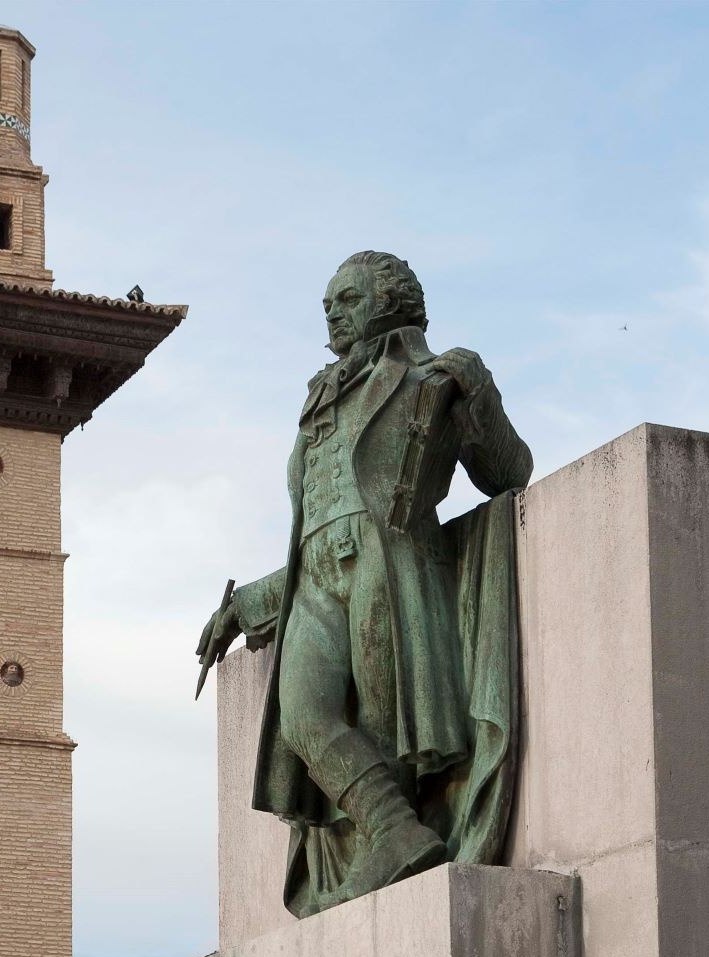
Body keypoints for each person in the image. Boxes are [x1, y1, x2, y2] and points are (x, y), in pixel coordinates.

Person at [195, 251, 532, 917]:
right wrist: (242, 606)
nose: (331, 310)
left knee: (385, 724)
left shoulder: (432, 377)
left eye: (346, 298)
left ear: (389, 301)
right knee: (303, 716)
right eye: (328, 301)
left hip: (388, 560)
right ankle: (395, 832)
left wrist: (481, 395)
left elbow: (508, 473)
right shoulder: (317, 401)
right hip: (317, 576)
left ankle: (400, 837)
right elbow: (311, 524)